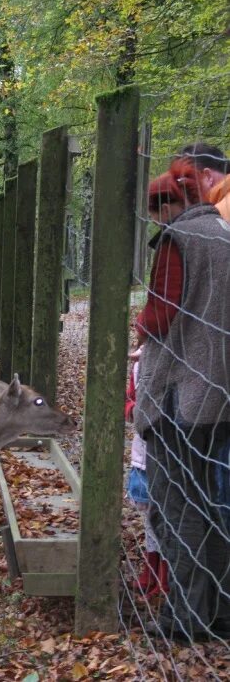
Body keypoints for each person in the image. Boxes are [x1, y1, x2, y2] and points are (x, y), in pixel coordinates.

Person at [134, 162, 230, 643]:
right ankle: (218, 609)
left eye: (157, 213)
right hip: (218, 393)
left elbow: (159, 316)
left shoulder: (178, 241)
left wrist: (138, 327)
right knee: (211, 503)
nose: (157, 222)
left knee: (178, 505)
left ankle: (186, 617)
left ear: (168, 206)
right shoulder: (223, 231)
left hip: (180, 394)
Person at [125, 346, 169, 601]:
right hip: (145, 449)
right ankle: (151, 567)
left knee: (169, 513)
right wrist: (133, 410)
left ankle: (165, 573)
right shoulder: (139, 365)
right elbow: (130, 398)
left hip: (169, 453)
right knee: (150, 514)